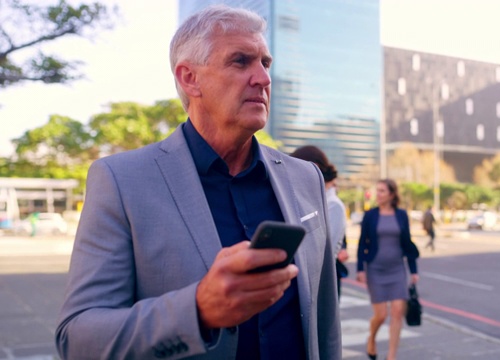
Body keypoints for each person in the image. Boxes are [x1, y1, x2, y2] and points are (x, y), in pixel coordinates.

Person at [55, 5, 341, 360]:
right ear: (190, 78)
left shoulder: (305, 177)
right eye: (241, 61)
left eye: (265, 63)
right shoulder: (120, 180)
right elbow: (78, 339)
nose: (264, 79)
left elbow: (325, 322)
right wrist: (197, 311)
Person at [357, 179, 419, 360]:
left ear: (392, 194)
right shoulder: (370, 215)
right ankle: (372, 339)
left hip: (397, 269)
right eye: (377, 190)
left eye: (382, 191)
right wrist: (361, 268)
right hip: (375, 269)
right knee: (381, 315)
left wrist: (414, 271)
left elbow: (407, 243)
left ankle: (391, 356)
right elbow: (362, 244)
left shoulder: (401, 215)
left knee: (398, 311)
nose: (378, 194)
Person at [290, 145, 348, 298]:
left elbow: (324, 250)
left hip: (321, 281)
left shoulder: (333, 205)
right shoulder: (313, 200)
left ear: (314, 168)